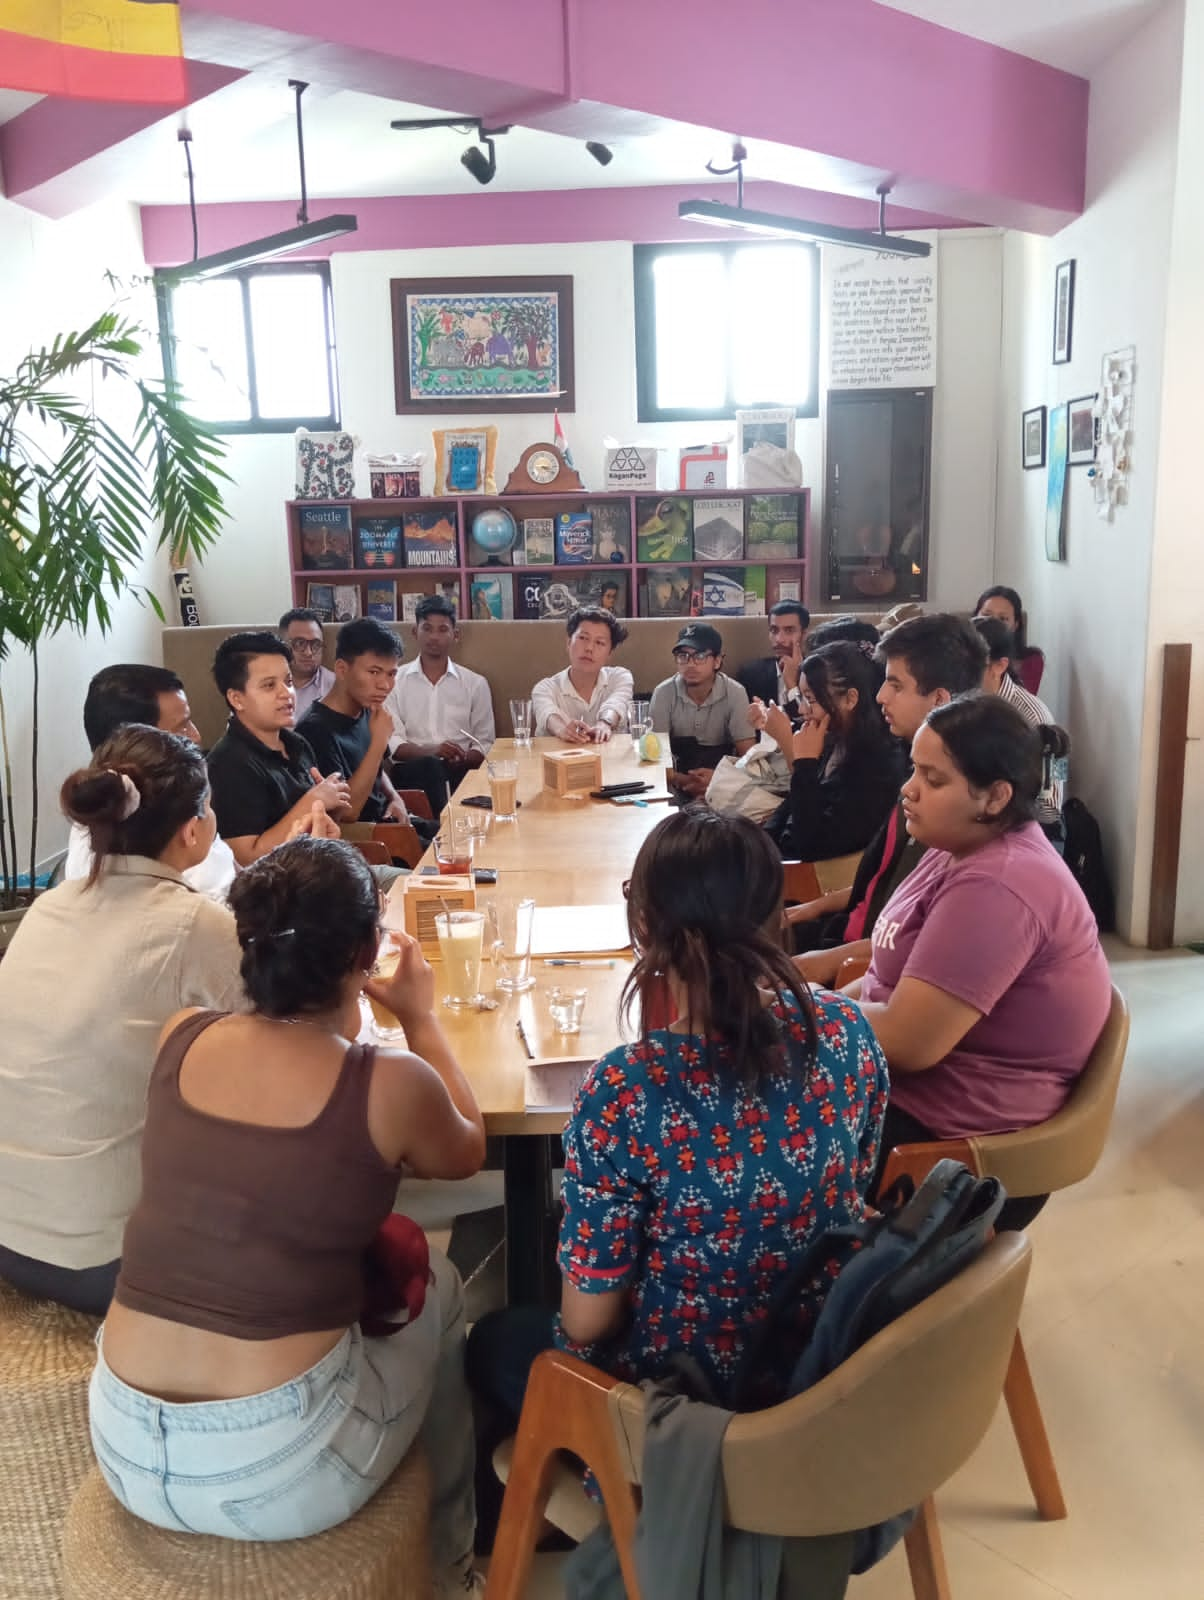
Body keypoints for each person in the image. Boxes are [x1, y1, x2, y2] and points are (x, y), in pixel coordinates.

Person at [88, 837, 486, 1596]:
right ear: (368, 951)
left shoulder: (183, 1036)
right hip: (282, 1463)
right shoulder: (388, 1080)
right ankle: (449, 1568)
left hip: (121, 1436)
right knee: (439, 1276)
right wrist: (422, 1019)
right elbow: (468, 1147)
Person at [465, 807, 887, 1429]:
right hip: (823, 1368)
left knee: (495, 1341)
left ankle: (557, 1510)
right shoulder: (848, 1031)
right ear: (776, 917)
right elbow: (860, 1174)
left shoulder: (624, 1092)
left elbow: (590, 1320)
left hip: (681, 1406)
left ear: (644, 927)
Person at [0, 726, 246, 1316]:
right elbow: (283, 1047)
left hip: (9, 1230)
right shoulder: (196, 924)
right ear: (194, 831)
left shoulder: (49, 906)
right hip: (105, 1258)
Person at [849, 696, 1109, 1225]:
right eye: (913, 770)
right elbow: (883, 975)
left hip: (953, 1150)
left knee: (714, 1151)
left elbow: (908, 1041)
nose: (909, 788)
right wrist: (803, 1000)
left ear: (994, 797)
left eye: (933, 778)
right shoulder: (956, 847)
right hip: (911, 1100)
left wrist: (801, 1013)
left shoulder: (1000, 883)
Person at [791, 614, 987, 975]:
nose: (880, 696)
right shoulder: (915, 771)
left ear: (939, 701)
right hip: (849, 933)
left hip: (864, 964)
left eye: (895, 685)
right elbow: (879, 882)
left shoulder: (950, 806)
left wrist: (802, 970)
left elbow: (904, 941)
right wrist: (817, 907)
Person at [66, 664, 237, 900]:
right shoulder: (149, 837)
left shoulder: (171, 801)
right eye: (182, 727)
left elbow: (233, 872)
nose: (196, 735)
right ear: (138, 745)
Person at [206, 631, 353, 867]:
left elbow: (315, 830)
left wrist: (330, 807)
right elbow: (246, 859)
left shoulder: (297, 743)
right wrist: (312, 801)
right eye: (269, 685)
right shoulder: (228, 764)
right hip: (280, 893)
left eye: (288, 681)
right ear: (236, 699)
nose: (286, 693)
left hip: (322, 868)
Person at [752, 639, 906, 861]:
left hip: (814, 877)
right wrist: (756, 846)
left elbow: (811, 846)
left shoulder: (877, 765)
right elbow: (790, 808)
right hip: (780, 861)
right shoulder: (836, 739)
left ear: (850, 699)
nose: (803, 709)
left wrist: (804, 764)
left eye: (811, 700)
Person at [297, 618, 437, 845]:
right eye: (374, 672)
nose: (384, 685)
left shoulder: (365, 709)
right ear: (342, 669)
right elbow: (348, 812)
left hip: (393, 822)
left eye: (391, 674)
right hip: (368, 843)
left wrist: (395, 797)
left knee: (467, 836)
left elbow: (378, 773)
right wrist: (379, 741)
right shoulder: (314, 731)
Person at [384, 596, 495, 820]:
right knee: (431, 766)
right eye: (427, 628)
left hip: (461, 771)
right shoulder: (394, 681)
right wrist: (433, 751)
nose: (434, 636)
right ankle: (445, 829)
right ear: (415, 632)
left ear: (455, 635)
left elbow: (485, 743)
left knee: (449, 772)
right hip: (410, 771)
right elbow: (394, 744)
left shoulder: (475, 684)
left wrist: (462, 758)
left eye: (443, 629)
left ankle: (440, 832)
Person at [974, 615, 1065, 841]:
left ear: (1000, 665)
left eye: (972, 666)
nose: (959, 675)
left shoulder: (1034, 717)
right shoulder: (966, 704)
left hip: (1025, 836)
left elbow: (1050, 807)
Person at [648, 622, 756, 798]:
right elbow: (654, 760)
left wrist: (717, 780)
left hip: (723, 781)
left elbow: (749, 759)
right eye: (683, 656)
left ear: (717, 661)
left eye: (699, 656)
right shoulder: (663, 693)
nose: (690, 664)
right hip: (675, 781)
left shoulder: (735, 693)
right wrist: (686, 781)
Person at [531, 606, 633, 743]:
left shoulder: (620, 678)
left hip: (610, 763)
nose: (589, 648)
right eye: (583, 638)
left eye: (599, 642)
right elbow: (547, 714)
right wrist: (563, 730)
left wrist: (604, 724)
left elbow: (616, 703)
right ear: (568, 643)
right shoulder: (545, 688)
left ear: (610, 653)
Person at [736, 600, 811, 712]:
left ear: (804, 634)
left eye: (789, 630)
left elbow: (810, 722)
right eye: (774, 630)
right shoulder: (750, 674)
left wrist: (792, 685)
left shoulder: (818, 673)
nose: (779, 639)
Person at [974, 585, 1045, 694]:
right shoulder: (960, 653)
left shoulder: (1031, 660)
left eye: (1003, 619)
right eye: (986, 615)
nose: (993, 624)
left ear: (1015, 625)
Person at [280, 607, 336, 722]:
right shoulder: (265, 686)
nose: (309, 653)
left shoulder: (336, 687)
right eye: (300, 643)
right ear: (282, 645)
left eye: (316, 644)